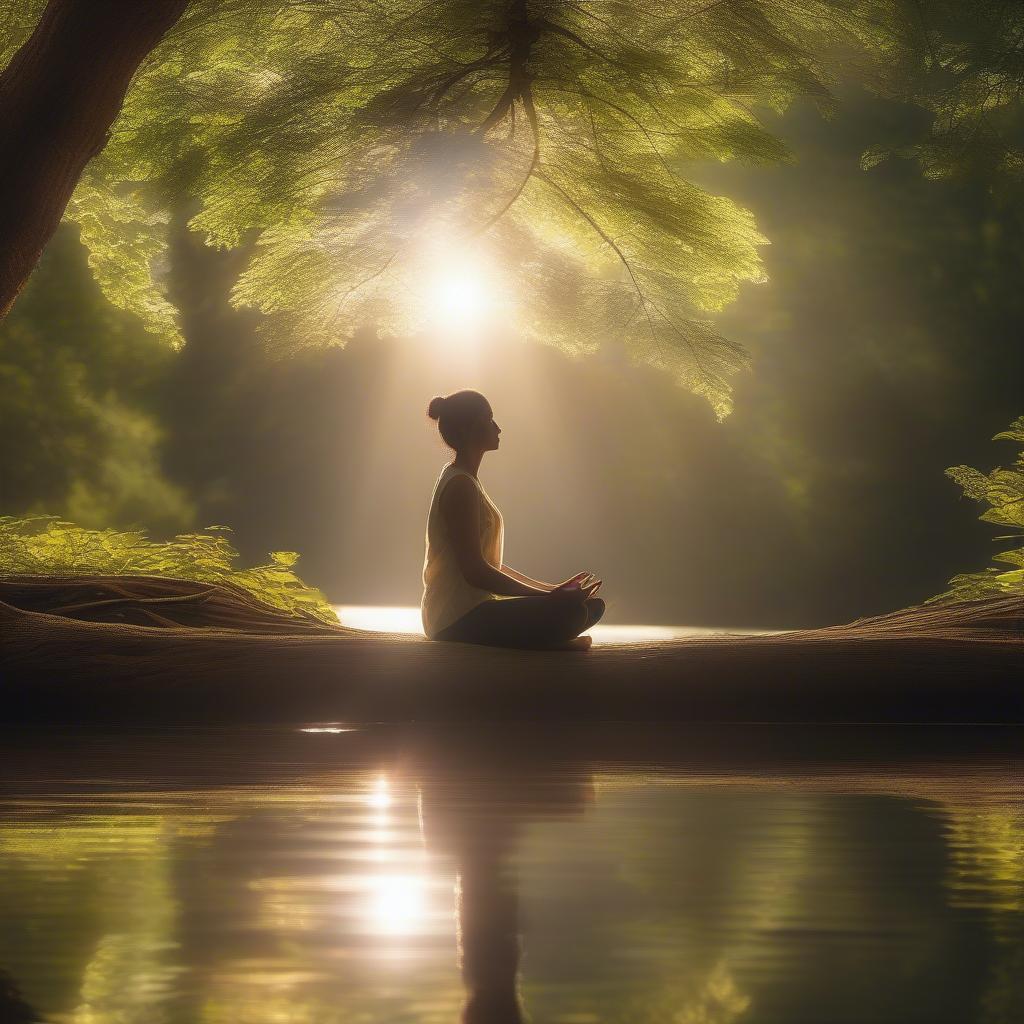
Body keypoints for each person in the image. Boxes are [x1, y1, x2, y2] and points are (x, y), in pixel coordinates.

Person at [421, 389, 605, 649]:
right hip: (455, 619)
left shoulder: (466, 481)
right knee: (573, 613)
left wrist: (553, 590)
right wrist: (549, 597)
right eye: (489, 418)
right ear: (471, 428)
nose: (498, 427)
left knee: (590, 607)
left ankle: (548, 642)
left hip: (474, 613)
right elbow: (475, 572)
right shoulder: (460, 486)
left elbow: (489, 565)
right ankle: (552, 646)